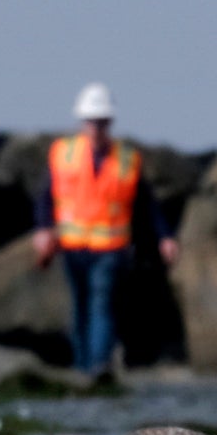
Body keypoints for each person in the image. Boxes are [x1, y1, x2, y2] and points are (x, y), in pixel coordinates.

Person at [32, 83, 179, 375]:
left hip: (110, 249)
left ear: (109, 122)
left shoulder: (127, 159)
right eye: (91, 121)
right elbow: (45, 196)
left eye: (101, 121)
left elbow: (147, 205)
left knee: (101, 307)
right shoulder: (63, 153)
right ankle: (82, 368)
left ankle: (98, 368)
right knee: (79, 309)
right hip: (73, 247)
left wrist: (165, 237)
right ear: (82, 122)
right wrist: (43, 229)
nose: (96, 127)